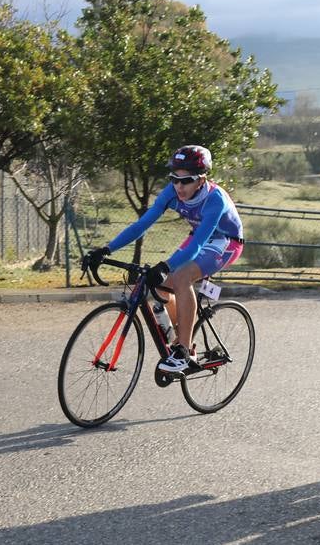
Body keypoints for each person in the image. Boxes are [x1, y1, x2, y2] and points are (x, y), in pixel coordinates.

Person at [85, 145, 244, 376]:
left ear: (201, 179)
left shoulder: (214, 199)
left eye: (185, 181)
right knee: (159, 284)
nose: (178, 186)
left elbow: (198, 245)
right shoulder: (170, 192)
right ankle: (180, 332)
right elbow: (141, 225)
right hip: (199, 236)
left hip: (226, 242)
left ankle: (184, 351)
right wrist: (106, 249)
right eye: (174, 179)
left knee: (180, 277)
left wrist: (167, 265)